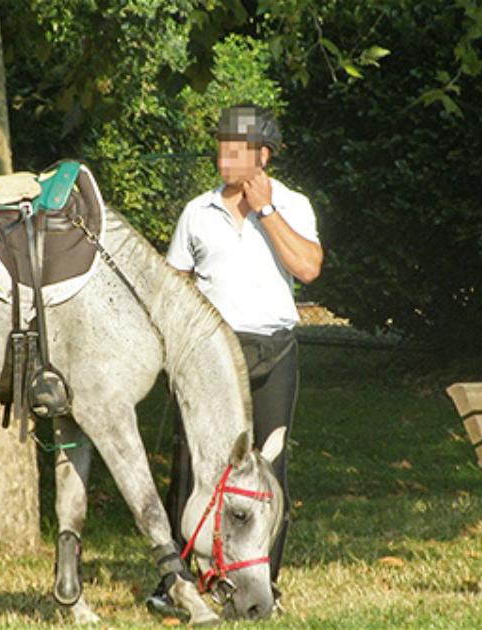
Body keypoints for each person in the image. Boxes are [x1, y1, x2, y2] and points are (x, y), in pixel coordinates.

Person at [146, 104, 323, 617]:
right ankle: (177, 582)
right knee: (190, 466)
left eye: (235, 148)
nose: (223, 156)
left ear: (262, 156)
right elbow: (172, 285)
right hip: (210, 358)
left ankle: (265, 584)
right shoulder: (197, 211)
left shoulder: (293, 203)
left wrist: (267, 212)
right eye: (221, 146)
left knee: (271, 469)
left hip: (275, 350)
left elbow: (308, 268)